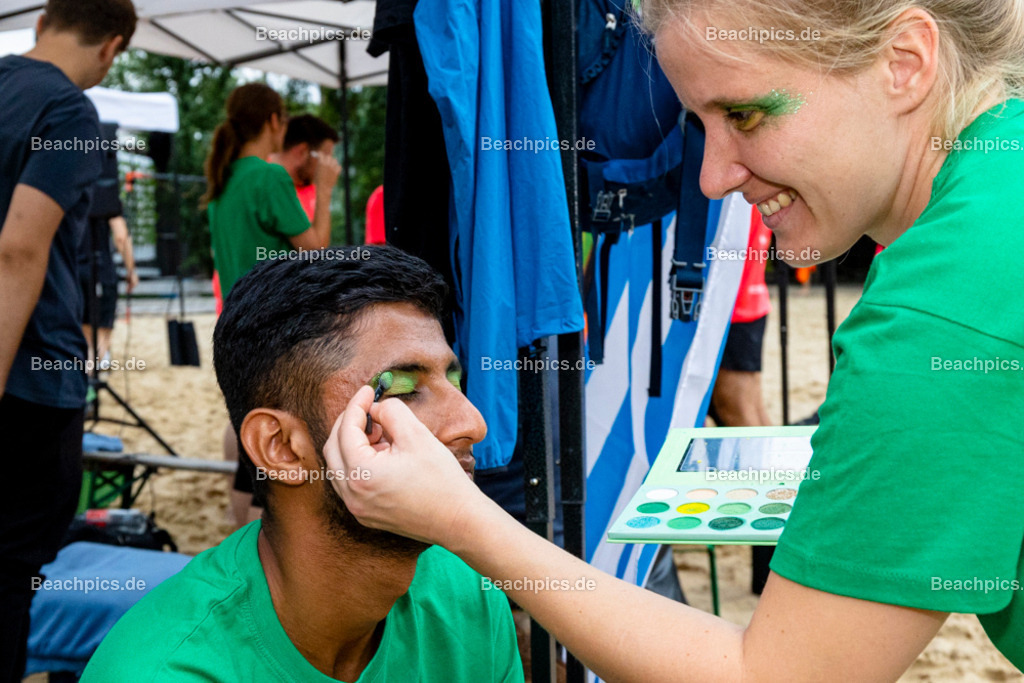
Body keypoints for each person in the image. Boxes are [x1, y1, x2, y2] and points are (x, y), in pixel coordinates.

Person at [323, 1, 1024, 679]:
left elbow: (778, 674)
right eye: (699, 124)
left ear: (904, 62)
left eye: (743, 114)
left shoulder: (941, 309)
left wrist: (458, 517)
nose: (712, 178)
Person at [81, 246, 523, 682]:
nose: (473, 422)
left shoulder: (468, 595)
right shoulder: (161, 672)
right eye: (404, 388)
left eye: (454, 380)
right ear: (281, 447)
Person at [0, 1, 136, 680]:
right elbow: (18, 248)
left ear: (45, 19)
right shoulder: (69, 111)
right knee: (11, 572)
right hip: (26, 382)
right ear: (112, 47)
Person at [202, 85, 341, 526]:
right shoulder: (269, 177)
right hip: (276, 325)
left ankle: (238, 524)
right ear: (274, 121)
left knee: (248, 425)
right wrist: (324, 189)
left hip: (235, 322)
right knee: (281, 432)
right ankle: (265, 534)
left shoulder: (224, 180)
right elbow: (315, 250)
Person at [269, 113, 340, 221]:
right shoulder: (262, 183)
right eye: (325, 158)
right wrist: (324, 191)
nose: (328, 167)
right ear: (302, 151)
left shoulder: (311, 190)